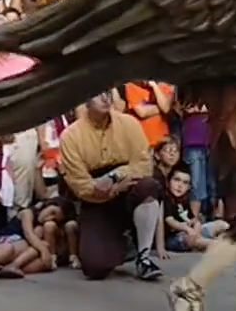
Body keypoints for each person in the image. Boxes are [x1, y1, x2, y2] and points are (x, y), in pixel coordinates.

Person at [59, 94, 163, 281]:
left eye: (108, 93)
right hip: (96, 200)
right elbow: (81, 186)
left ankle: (144, 258)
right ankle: (123, 243)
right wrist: (112, 189)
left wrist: (115, 176)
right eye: (98, 94)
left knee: (148, 186)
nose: (106, 99)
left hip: (128, 187)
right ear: (86, 101)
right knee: (94, 268)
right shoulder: (71, 136)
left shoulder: (129, 124)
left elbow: (144, 165)